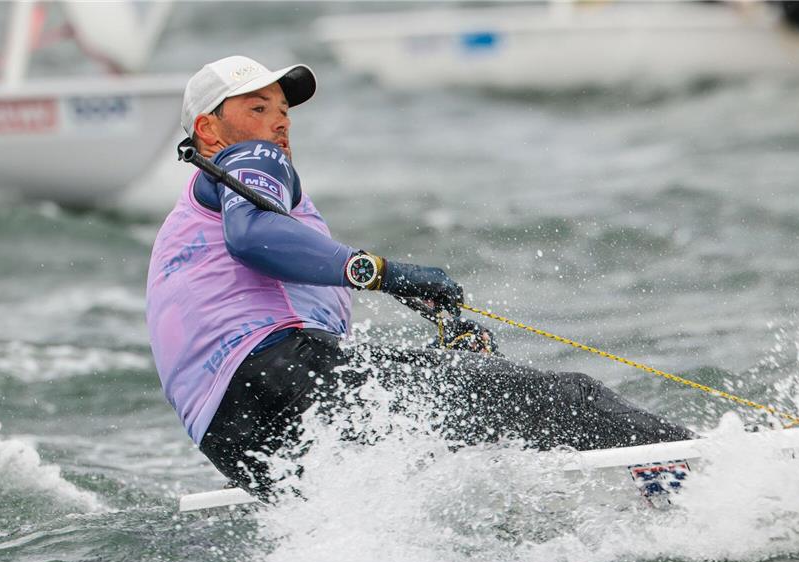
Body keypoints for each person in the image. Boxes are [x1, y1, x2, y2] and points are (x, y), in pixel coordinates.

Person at [146, 56, 692, 500]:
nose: (279, 121)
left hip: (231, 437)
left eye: (284, 109)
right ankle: (696, 472)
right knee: (567, 398)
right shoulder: (250, 161)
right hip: (280, 377)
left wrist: (456, 353)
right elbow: (254, 239)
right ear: (207, 129)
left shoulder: (188, 218)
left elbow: (259, 281)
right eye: (257, 107)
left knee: (445, 474)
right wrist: (381, 272)